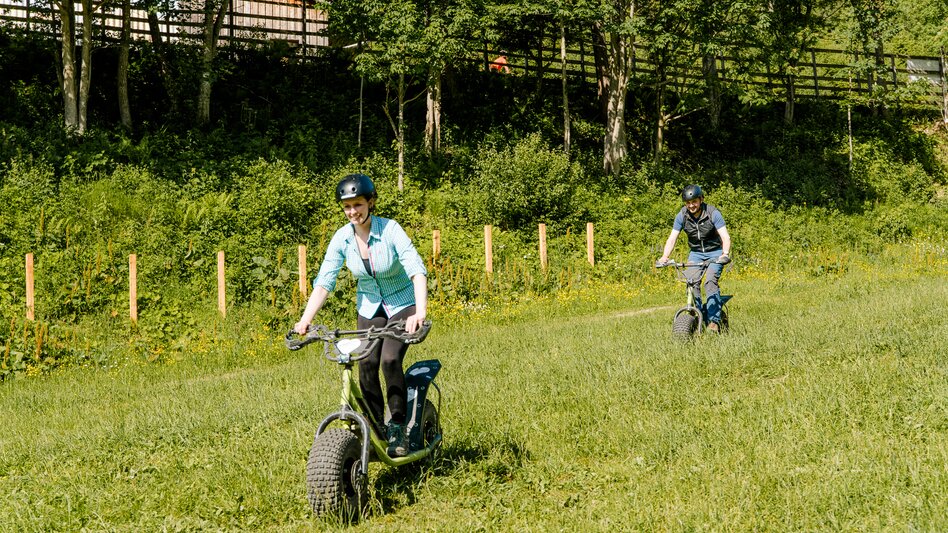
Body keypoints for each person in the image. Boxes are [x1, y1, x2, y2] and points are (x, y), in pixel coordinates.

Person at [294, 173, 428, 457]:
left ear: (370, 202)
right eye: (347, 206)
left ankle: (398, 426)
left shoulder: (390, 230)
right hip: (369, 305)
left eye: (357, 204)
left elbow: (416, 269)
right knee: (366, 361)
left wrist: (420, 312)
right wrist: (305, 320)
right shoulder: (342, 238)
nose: (352, 211)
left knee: (390, 359)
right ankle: (376, 424)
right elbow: (324, 281)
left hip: (402, 302)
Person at [658, 185, 732, 332]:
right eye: (688, 203)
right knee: (691, 283)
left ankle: (713, 321)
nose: (691, 205)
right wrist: (664, 257)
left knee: (710, 281)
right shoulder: (682, 216)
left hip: (715, 252)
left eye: (694, 202)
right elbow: (672, 238)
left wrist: (725, 253)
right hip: (696, 253)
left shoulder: (712, 213)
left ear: (701, 199)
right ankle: (696, 315)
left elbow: (725, 236)